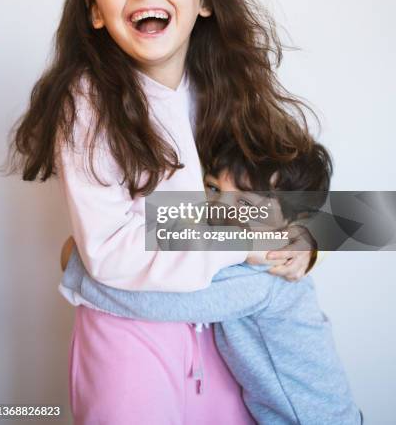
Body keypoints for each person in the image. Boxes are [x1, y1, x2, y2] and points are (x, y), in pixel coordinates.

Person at [5, 0, 350, 424]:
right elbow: (111, 254)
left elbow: (287, 204)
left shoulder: (224, 91)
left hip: (222, 340)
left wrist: (301, 238)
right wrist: (246, 236)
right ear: (95, 11)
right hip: (131, 341)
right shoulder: (87, 101)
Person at [60, 139, 362, 424]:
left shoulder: (262, 277)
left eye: (246, 206)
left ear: (293, 222)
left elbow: (167, 301)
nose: (221, 212)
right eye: (213, 188)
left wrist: (79, 268)